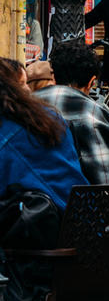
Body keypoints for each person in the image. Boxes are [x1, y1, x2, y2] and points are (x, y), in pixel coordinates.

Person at [36, 43, 109, 184]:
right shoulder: (91, 113)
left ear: (54, 77)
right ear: (91, 82)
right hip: (71, 203)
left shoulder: (27, 104)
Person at [0, 58, 87, 211]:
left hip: (46, 223)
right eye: (22, 84)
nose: (27, 90)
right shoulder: (47, 117)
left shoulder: (16, 132)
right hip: (77, 216)